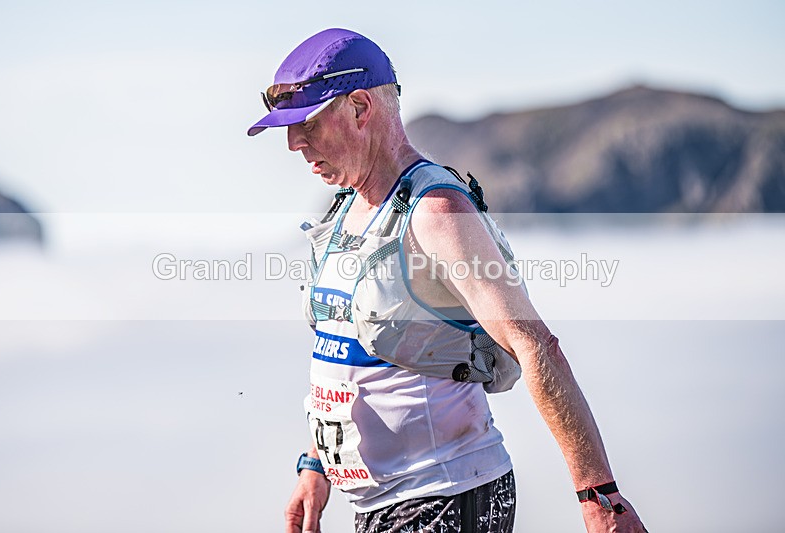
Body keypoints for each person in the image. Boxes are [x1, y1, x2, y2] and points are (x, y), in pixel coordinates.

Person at [248, 28, 647, 533]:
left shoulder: (436, 211)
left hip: (446, 499)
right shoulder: (348, 207)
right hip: (383, 503)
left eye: (305, 122)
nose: (292, 143)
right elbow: (344, 353)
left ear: (360, 107)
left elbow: (533, 344)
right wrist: (317, 465)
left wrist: (599, 498)